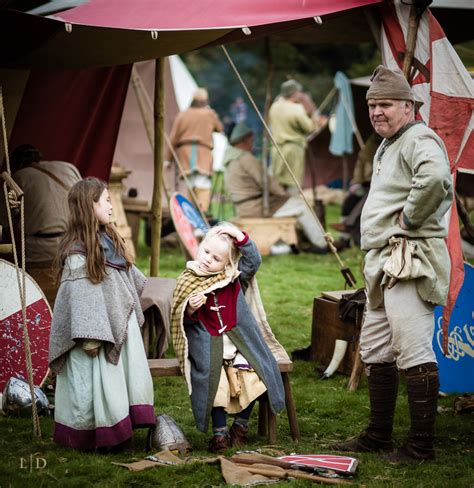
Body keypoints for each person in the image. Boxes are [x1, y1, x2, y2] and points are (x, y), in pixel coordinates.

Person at [332, 66, 453, 462]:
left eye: (385, 104)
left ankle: (421, 447)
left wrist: (409, 220)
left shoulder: (420, 138)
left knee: (413, 349)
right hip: (385, 260)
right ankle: (378, 436)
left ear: (408, 106)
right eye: (372, 105)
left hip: (410, 258)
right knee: (377, 349)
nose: (377, 112)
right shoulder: (389, 143)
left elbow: (435, 179)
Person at [48, 177, 155, 451]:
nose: (110, 206)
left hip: (117, 325)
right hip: (93, 334)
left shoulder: (108, 239)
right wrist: (91, 335)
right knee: (92, 385)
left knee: (116, 381)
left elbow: (128, 280)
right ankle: (95, 435)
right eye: (105, 201)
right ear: (89, 205)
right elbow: (80, 296)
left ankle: (120, 427)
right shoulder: (77, 251)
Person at [171, 223, 285, 452]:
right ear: (200, 247)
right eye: (206, 252)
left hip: (239, 345)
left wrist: (238, 235)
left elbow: (254, 261)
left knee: (256, 379)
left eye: (216, 258)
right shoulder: (188, 278)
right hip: (209, 346)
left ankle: (240, 428)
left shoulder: (234, 279)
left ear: (227, 263)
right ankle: (220, 435)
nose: (207, 260)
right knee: (216, 386)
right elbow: (180, 319)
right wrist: (191, 310)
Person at [223, 122, 328, 253]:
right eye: (251, 139)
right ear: (244, 140)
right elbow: (265, 181)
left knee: (294, 205)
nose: (252, 142)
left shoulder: (231, 158)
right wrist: (283, 193)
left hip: (245, 206)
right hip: (256, 207)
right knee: (301, 206)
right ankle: (322, 244)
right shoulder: (245, 158)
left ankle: (305, 240)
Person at [0, 144, 82, 306]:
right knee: (74, 301)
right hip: (77, 243)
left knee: (45, 303)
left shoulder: (18, 177)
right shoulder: (68, 168)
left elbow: (5, 221)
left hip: (42, 250)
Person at [165, 88, 224, 213]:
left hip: (185, 156)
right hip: (203, 155)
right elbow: (220, 128)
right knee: (202, 187)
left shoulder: (183, 115)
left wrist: (167, 158)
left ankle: (191, 218)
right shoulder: (209, 114)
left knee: (189, 187)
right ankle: (199, 221)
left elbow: (173, 138)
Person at [330, 132, 382, 248]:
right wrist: (356, 183)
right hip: (366, 184)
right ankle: (344, 239)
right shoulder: (372, 142)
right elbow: (361, 162)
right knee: (349, 201)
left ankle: (349, 225)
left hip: (379, 186)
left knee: (364, 202)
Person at [269, 80, 319, 193]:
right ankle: (290, 207)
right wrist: (312, 112)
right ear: (295, 93)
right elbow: (310, 128)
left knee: (277, 183)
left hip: (277, 150)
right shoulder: (296, 109)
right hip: (293, 150)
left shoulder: (274, 106)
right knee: (293, 184)